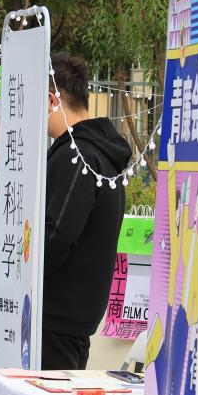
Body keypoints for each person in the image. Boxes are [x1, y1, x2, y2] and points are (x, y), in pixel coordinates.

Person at [43, 53, 131, 368]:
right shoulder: (100, 151)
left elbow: (55, 236)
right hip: (77, 308)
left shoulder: (76, 155)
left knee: (50, 393)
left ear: (52, 100)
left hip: (58, 310)